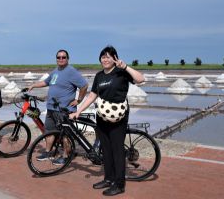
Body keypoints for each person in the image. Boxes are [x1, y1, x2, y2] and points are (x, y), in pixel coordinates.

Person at [70, 45, 144, 196]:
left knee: (117, 150)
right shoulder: (99, 76)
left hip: (118, 118)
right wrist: (78, 111)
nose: (105, 59)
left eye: (109, 56)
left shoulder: (121, 72)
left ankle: (119, 184)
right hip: (102, 116)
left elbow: (141, 79)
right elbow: (92, 96)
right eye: (103, 56)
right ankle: (108, 179)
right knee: (106, 149)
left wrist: (126, 67)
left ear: (115, 58)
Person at [28, 49, 88, 165]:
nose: (61, 59)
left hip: (64, 109)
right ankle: (48, 152)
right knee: (49, 131)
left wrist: (78, 100)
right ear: (56, 59)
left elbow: (84, 86)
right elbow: (46, 82)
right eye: (59, 57)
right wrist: (34, 85)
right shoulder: (55, 71)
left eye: (63, 57)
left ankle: (66, 156)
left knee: (65, 134)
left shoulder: (71, 71)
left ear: (67, 59)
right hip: (51, 108)